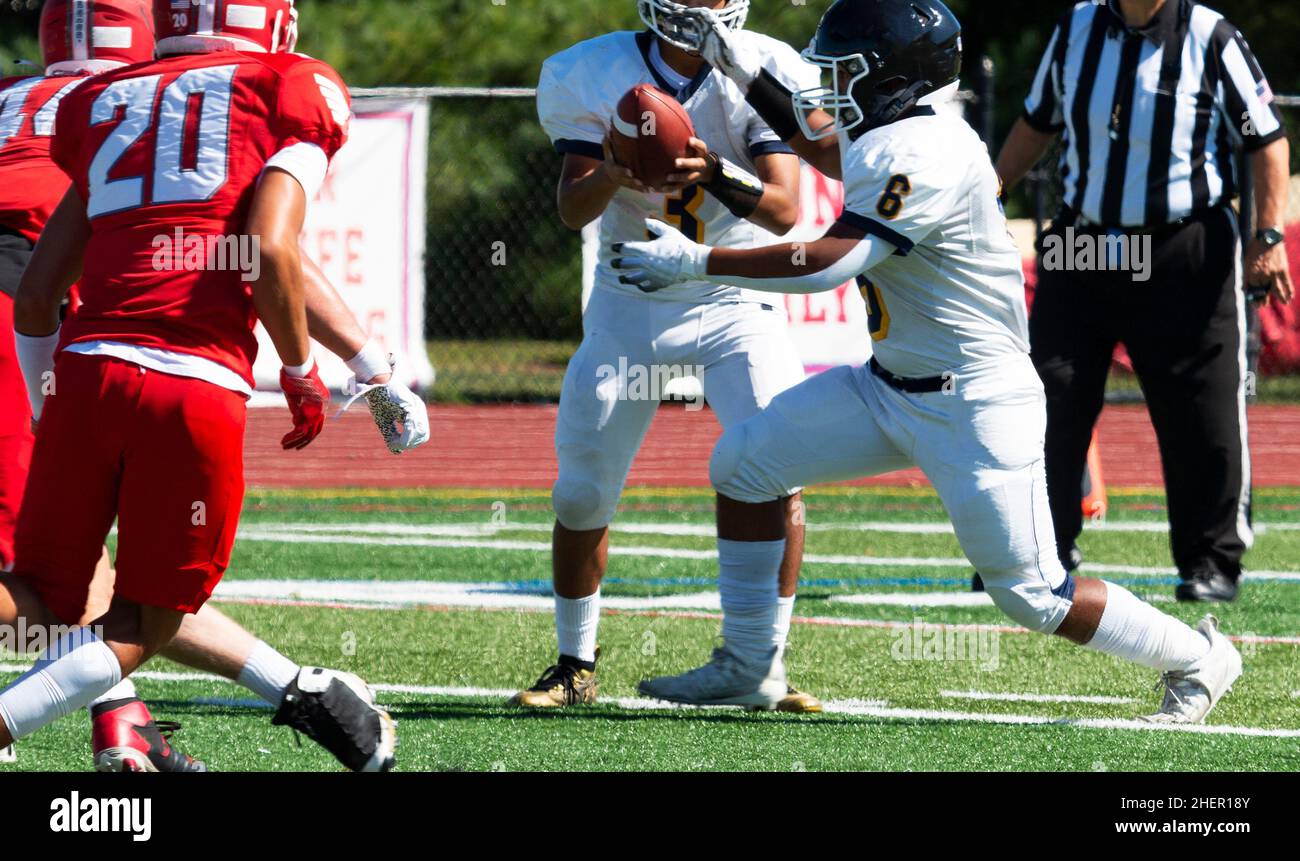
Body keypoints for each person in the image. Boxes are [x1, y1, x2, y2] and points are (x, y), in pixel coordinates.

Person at [614, 0, 1242, 724]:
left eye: (845, 70)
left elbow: (832, 259)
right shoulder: (889, 129)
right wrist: (743, 68)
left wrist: (697, 261)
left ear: (893, 78)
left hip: (973, 402)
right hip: (888, 389)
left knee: (1033, 593)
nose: (829, 83)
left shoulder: (927, 150)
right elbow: (824, 147)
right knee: (744, 465)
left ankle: (1197, 657)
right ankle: (751, 664)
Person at [0, 0, 399, 771]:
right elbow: (265, 248)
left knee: (44, 588)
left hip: (74, 353)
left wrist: (50, 398)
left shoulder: (86, 106)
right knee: (139, 615)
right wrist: (319, 367)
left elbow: (47, 285)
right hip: (183, 373)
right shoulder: (253, 90)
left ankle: (129, 727)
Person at [511, 0, 823, 711]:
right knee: (583, 487)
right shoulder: (589, 71)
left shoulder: (765, 68)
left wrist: (712, 168)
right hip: (633, 295)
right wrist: (615, 175)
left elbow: (784, 208)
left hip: (730, 291)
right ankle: (574, 664)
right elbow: (571, 208)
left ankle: (763, 662)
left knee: (778, 468)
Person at [995, 0, 1292, 603]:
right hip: (1084, 243)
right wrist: (989, 192)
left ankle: (1211, 560)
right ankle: (1039, 547)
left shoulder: (1210, 36)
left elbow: (1268, 140)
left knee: (1200, 410)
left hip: (1183, 246)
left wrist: (1268, 236)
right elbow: (1036, 121)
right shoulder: (1075, 27)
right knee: (1046, 391)